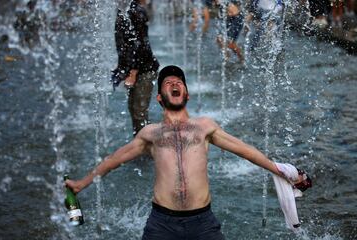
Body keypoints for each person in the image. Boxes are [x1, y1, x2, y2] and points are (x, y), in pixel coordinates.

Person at [66, 65, 311, 239]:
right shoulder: (150, 134)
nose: (174, 83)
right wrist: (80, 184)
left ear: (187, 94)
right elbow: (112, 161)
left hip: (202, 222)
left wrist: (284, 172)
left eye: (179, 82)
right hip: (161, 223)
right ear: (160, 99)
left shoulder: (205, 126)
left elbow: (246, 151)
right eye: (168, 83)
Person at [111, 0, 159, 136]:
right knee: (134, 110)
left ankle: (149, 150)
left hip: (144, 70)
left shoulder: (136, 11)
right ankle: (140, 147)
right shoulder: (124, 10)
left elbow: (140, 44)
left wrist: (132, 72)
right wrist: (122, 68)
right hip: (135, 68)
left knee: (139, 113)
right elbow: (124, 44)